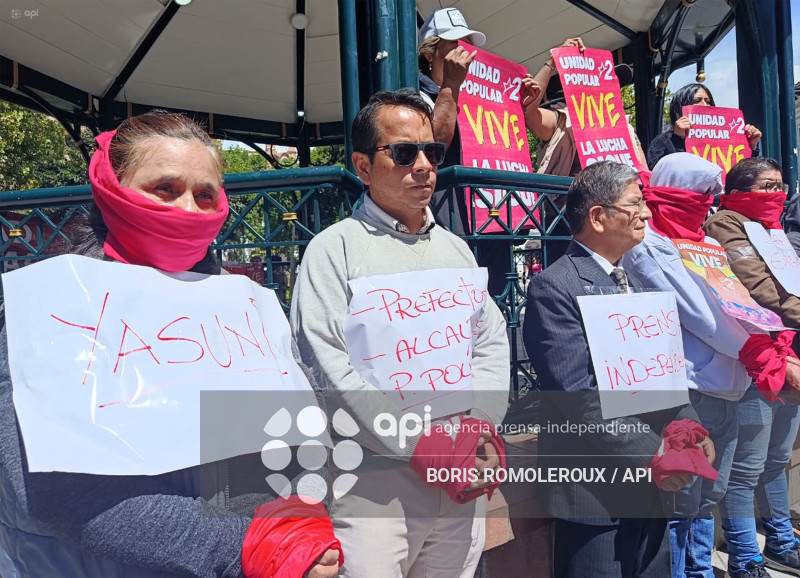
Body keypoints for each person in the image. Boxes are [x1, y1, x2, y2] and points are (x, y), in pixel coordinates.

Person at [0, 111, 342, 577]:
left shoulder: (243, 312)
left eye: (205, 195)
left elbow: (291, 438)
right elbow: (55, 492)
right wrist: (250, 546)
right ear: (111, 188)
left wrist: (295, 528)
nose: (187, 210)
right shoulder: (50, 310)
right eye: (166, 188)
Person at [290, 89, 510, 577]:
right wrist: (418, 444)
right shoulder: (332, 252)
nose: (424, 166)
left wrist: (480, 426)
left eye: (432, 152)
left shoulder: (457, 250)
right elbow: (327, 365)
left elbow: (490, 341)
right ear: (363, 167)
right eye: (404, 152)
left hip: (461, 474)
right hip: (374, 484)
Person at [523, 161, 713, 577]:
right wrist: (657, 454)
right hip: (596, 494)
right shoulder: (555, 286)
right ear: (598, 216)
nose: (646, 213)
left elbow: (662, 376)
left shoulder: (637, 284)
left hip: (652, 486)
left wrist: (688, 429)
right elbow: (579, 396)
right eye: (635, 204)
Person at [621, 153, 800, 578]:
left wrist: (771, 348)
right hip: (694, 386)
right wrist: (765, 355)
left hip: (731, 381)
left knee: (708, 494)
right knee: (686, 498)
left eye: (710, 195)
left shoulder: (701, 241)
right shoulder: (649, 245)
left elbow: (735, 302)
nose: (706, 202)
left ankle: (700, 569)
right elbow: (704, 314)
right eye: (698, 194)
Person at [704, 157, 800, 578]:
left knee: (777, 456)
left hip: (790, 349)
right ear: (740, 188)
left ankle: (781, 539)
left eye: (780, 185)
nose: (775, 193)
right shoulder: (726, 224)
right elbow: (757, 287)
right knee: (747, 465)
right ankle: (745, 556)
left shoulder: (773, 228)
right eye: (766, 186)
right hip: (758, 357)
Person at [521, 37, 647, 263]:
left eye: (613, 82)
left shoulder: (625, 127)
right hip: (569, 222)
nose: (609, 86)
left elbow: (643, 174)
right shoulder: (564, 119)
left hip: (620, 222)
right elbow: (528, 113)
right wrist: (551, 63)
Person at [646, 83, 762, 169]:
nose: (704, 105)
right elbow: (657, 172)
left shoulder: (724, 137)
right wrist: (678, 138)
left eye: (708, 101)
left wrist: (751, 146)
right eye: (697, 100)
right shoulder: (662, 141)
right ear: (681, 105)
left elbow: (744, 172)